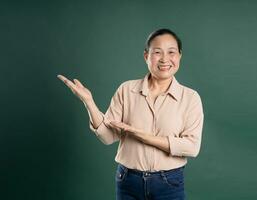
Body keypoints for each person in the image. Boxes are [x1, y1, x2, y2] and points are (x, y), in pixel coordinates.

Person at [57, 28, 204, 200]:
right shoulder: (126, 90)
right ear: (146, 56)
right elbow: (107, 137)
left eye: (171, 52)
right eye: (157, 52)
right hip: (128, 181)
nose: (165, 59)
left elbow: (191, 147)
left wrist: (142, 136)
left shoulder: (190, 98)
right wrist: (89, 102)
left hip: (169, 183)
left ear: (179, 56)